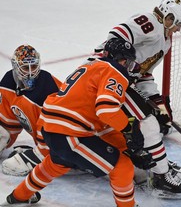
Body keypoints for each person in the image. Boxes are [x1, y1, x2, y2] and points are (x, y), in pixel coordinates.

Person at [4, 38, 155, 207]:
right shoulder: (114, 70)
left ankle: (19, 195)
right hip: (70, 134)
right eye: (127, 62)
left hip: (50, 127)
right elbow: (106, 110)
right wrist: (129, 129)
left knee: (56, 164)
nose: (126, 67)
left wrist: (128, 147)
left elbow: (99, 121)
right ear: (122, 60)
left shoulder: (88, 67)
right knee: (122, 166)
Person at [87, 0, 181, 199]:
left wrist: (160, 107)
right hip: (104, 74)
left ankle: (145, 163)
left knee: (153, 122)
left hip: (118, 79)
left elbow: (143, 74)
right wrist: (122, 59)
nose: (178, 28)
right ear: (168, 16)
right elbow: (115, 38)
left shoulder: (165, 40)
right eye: (177, 23)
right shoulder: (150, 22)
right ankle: (161, 177)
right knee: (148, 124)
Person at [0, 44, 62, 175]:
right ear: (15, 66)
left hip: (62, 142)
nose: (29, 72)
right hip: (45, 143)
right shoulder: (8, 82)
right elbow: (7, 121)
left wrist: (41, 153)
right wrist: (3, 138)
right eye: (24, 67)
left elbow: (60, 128)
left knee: (11, 166)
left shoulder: (48, 87)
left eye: (33, 66)